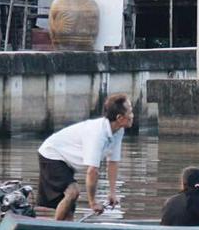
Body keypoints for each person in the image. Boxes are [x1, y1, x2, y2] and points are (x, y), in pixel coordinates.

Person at [36, 92, 133, 221]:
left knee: (69, 213)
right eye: (130, 112)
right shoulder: (98, 134)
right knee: (73, 192)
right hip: (52, 154)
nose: (132, 116)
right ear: (120, 117)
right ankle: (55, 229)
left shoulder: (118, 131)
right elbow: (92, 171)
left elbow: (113, 162)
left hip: (67, 162)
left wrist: (112, 192)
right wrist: (92, 203)